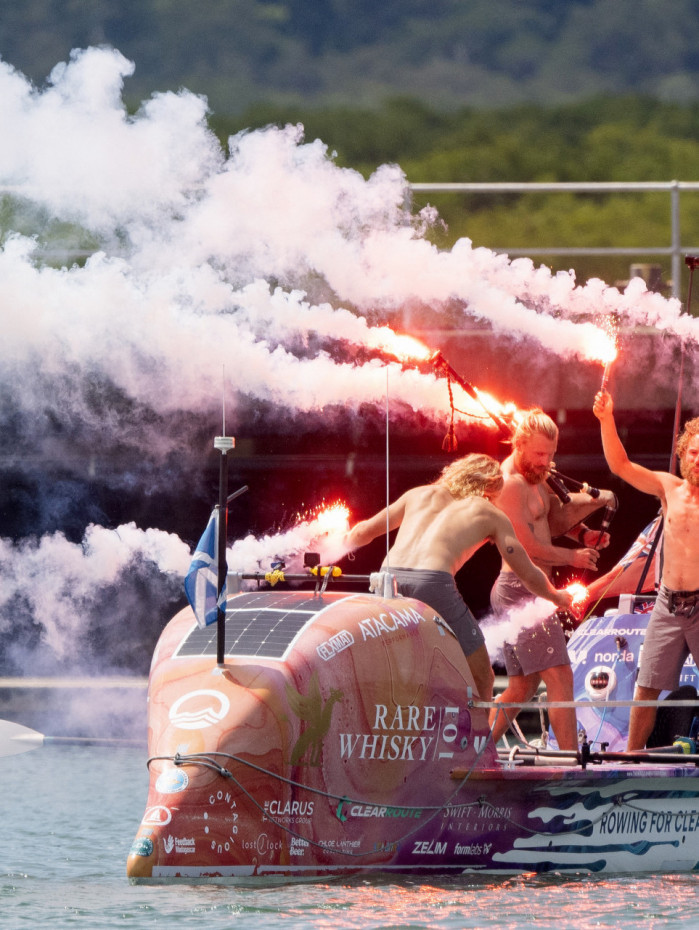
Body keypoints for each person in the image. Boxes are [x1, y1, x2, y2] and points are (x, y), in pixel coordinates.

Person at [344, 452, 573, 705]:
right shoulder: (489, 513)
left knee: (397, 667)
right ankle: (479, 744)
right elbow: (527, 571)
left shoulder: (419, 494)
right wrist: (556, 596)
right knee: (481, 675)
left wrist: (335, 545)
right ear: (490, 486)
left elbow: (362, 532)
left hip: (387, 581)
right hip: (432, 583)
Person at [489, 408, 617, 750]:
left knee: (522, 687)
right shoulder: (510, 484)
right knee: (560, 676)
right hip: (520, 589)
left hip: (530, 590)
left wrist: (584, 535)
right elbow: (526, 547)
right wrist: (572, 557)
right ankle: (570, 762)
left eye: (551, 454)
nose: (546, 462)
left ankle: (478, 750)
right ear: (518, 444)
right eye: (539, 454)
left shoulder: (535, 475)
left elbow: (550, 519)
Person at [594, 388, 699, 750]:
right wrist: (607, 419)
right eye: (694, 452)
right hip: (668, 605)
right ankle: (630, 760)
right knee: (646, 687)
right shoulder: (668, 488)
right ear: (684, 455)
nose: (698, 459)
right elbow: (620, 466)